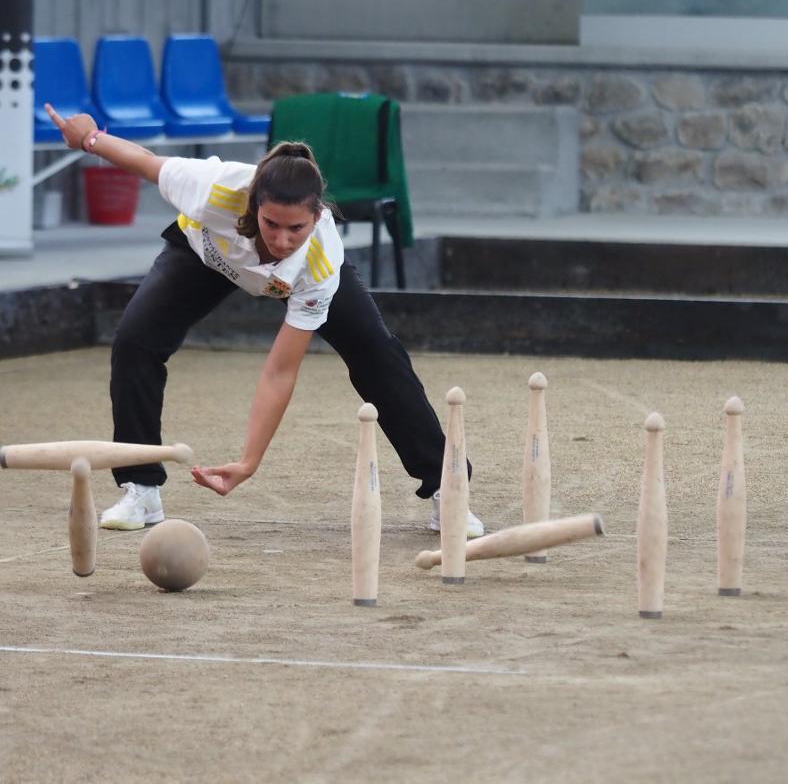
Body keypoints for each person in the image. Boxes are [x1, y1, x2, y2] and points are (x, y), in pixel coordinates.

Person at [43, 103, 484, 538]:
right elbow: (146, 161)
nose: (282, 239)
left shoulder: (318, 263)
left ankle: (448, 489)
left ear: (318, 216)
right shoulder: (213, 187)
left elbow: (279, 370)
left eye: (297, 228)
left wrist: (249, 461)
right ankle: (140, 488)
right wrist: (88, 138)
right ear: (253, 204)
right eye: (271, 223)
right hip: (205, 255)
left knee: (377, 354)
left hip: (295, 284)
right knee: (135, 341)